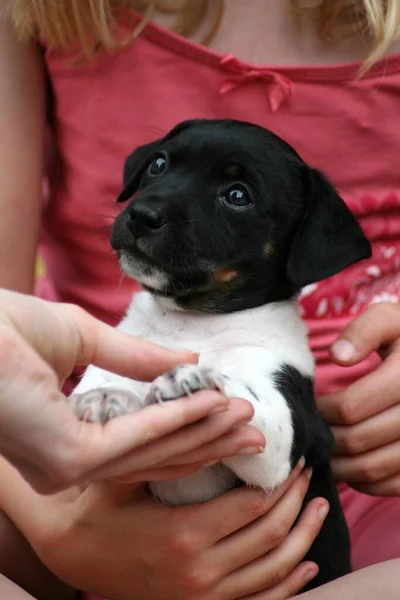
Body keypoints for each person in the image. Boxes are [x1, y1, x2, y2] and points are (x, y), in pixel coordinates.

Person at [1, 0, 400, 597]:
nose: (152, 204)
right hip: (61, 500)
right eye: (159, 167)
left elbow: (266, 455)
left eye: (236, 195)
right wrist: (57, 531)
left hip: (343, 514)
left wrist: (214, 400)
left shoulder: (267, 357)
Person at [0, 288, 399, 600]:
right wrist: (60, 533)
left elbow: (263, 451)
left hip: (359, 499)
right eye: (154, 174)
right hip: (73, 490)